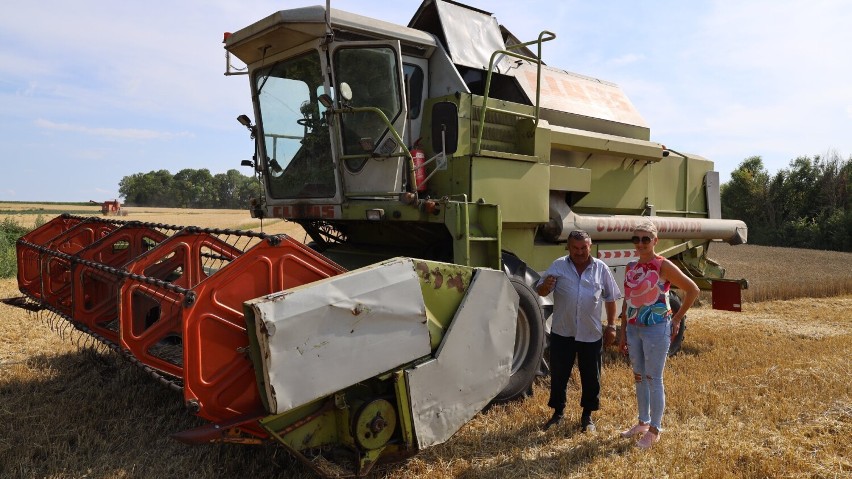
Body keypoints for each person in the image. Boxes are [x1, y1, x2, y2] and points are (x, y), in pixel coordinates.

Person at [617, 222, 700, 449]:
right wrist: (622, 332)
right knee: (639, 377)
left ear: (655, 241)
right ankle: (642, 423)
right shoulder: (631, 266)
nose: (641, 243)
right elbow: (628, 301)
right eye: (637, 239)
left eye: (646, 239)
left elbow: (693, 290)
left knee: (654, 378)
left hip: (656, 328)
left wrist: (676, 319)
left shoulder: (663, 265)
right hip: (634, 328)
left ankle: (655, 430)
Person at [536, 229, 621, 433]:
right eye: (575, 248)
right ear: (569, 247)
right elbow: (541, 291)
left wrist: (611, 325)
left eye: (583, 248)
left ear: (590, 246)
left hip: (590, 334)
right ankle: (557, 413)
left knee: (591, 377)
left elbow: (610, 298)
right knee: (559, 376)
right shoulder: (558, 265)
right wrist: (545, 286)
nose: (580, 252)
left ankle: (587, 416)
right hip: (562, 332)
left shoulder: (600, 268)